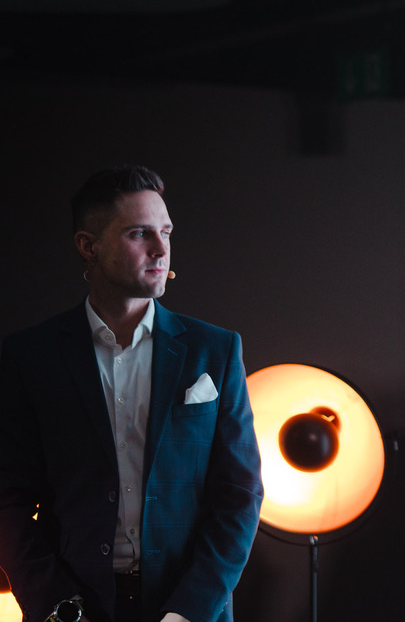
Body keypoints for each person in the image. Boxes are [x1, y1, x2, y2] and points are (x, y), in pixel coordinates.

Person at [0, 166, 263, 622]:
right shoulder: (30, 356)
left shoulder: (215, 350)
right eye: (140, 233)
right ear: (89, 246)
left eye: (166, 232)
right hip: (74, 608)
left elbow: (240, 494)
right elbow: (9, 499)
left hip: (188, 607)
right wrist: (56, 605)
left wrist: (189, 611)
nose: (161, 248)